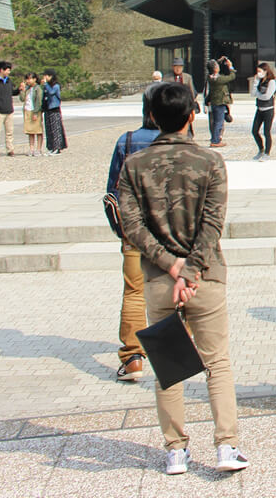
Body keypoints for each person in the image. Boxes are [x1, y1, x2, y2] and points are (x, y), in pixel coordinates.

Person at [116, 82, 249, 475]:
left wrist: (170, 265)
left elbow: (132, 225)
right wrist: (189, 269)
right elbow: (213, 223)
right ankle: (226, 445)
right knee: (217, 364)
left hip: (159, 280)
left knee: (168, 367)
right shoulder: (210, 162)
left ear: (153, 117)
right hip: (204, 277)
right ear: (194, 115)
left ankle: (176, 449)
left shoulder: (134, 165)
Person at [105, 97, 162, 382]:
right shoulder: (174, 143)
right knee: (170, 293)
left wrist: (123, 230)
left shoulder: (126, 142)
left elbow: (112, 191)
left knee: (134, 292)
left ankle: (133, 358)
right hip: (169, 234)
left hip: (134, 231)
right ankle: (172, 358)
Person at [205, 57, 236, 149]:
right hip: (220, 102)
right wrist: (230, 67)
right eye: (217, 66)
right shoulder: (219, 79)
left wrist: (220, 60)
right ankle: (215, 141)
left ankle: (215, 139)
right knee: (219, 122)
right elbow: (232, 76)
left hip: (214, 102)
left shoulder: (210, 77)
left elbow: (211, 66)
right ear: (215, 69)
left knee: (216, 122)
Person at [251, 63, 276, 161]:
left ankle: (267, 153)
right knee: (254, 131)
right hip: (259, 109)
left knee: (267, 132)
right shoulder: (260, 81)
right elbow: (253, 93)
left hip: (268, 109)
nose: (258, 73)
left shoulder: (272, 82)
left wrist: (258, 95)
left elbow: (267, 96)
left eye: (260, 71)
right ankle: (260, 149)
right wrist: (255, 81)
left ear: (265, 71)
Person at [40, 68, 67, 155]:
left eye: (46, 76)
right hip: (47, 109)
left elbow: (51, 92)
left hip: (54, 109)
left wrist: (45, 85)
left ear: (51, 76)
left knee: (56, 129)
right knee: (49, 129)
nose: (44, 77)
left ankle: (57, 147)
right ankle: (51, 147)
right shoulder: (46, 85)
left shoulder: (56, 85)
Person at [19, 72, 43, 156]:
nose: (28, 81)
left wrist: (36, 112)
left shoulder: (38, 88)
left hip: (35, 111)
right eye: (27, 79)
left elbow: (39, 101)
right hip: (27, 110)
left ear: (35, 79)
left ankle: (38, 149)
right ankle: (31, 148)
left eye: (30, 79)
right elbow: (22, 99)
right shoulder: (27, 88)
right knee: (30, 131)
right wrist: (22, 90)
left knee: (38, 131)